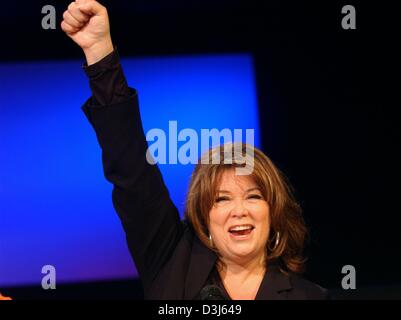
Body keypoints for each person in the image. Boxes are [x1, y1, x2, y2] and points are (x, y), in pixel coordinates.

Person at [61, 0, 329, 299]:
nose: (239, 211)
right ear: (204, 216)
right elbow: (131, 167)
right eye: (221, 199)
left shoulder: (311, 297)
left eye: (253, 196)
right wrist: (99, 51)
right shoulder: (173, 263)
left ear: (274, 213)